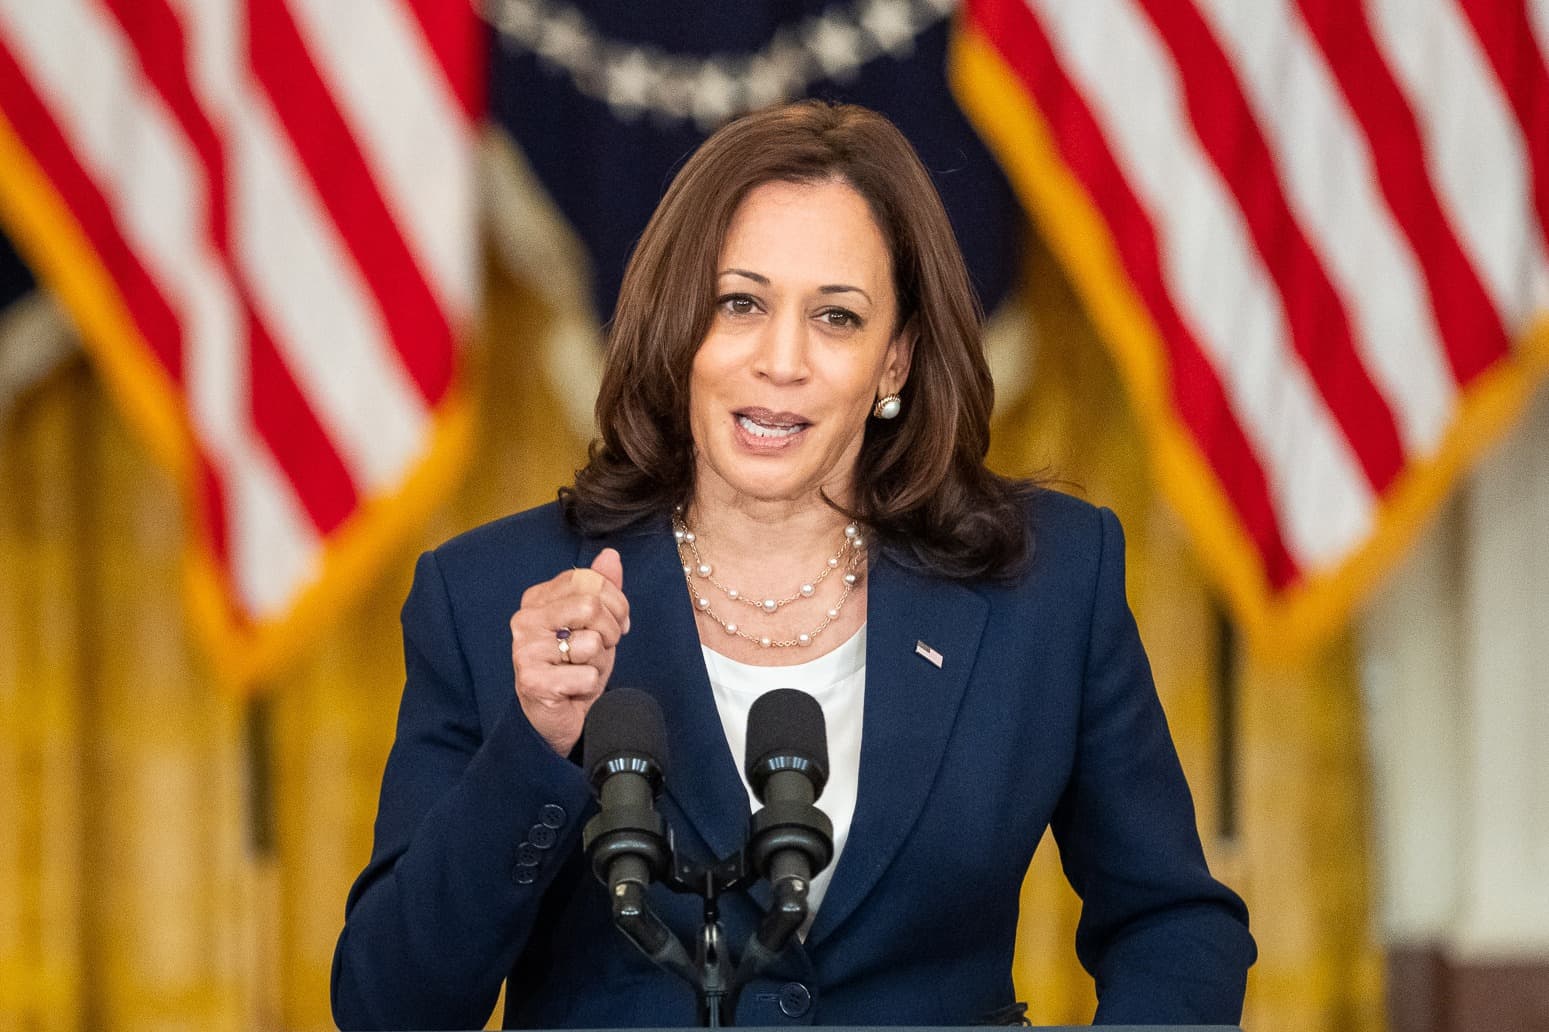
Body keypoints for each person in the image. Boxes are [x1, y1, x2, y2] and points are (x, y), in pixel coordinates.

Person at [331, 100, 1254, 1030]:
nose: (782, 360)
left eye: (837, 318)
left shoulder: (1047, 581)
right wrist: (532, 742)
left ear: (893, 363)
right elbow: (388, 1006)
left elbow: (1172, 924)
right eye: (741, 303)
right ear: (678, 324)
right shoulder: (491, 594)